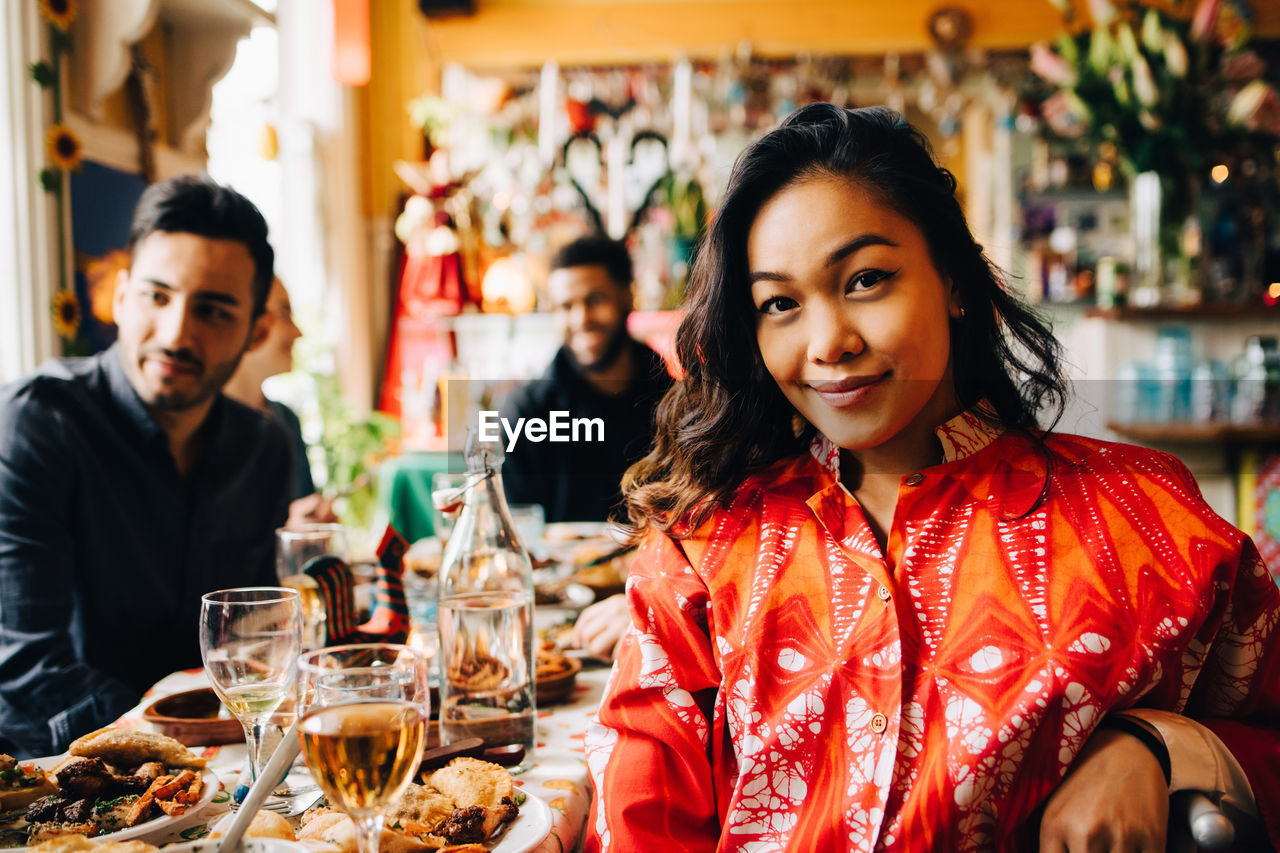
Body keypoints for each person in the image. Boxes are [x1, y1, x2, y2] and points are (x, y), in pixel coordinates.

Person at [585, 105, 1280, 852]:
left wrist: (1162, 747)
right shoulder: (704, 545)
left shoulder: (1142, 521)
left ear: (953, 279)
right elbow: (641, 818)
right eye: (780, 303)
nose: (828, 343)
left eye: (866, 279)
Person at [0, 174, 293, 758]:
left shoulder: (265, 447)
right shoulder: (37, 424)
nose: (175, 333)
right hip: (68, 780)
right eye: (157, 296)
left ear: (256, 330)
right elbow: (23, 663)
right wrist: (172, 748)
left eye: (211, 311)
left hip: (219, 765)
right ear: (121, 293)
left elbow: (252, 643)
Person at [499, 234, 673, 524]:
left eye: (595, 300)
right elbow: (519, 529)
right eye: (566, 307)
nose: (581, 319)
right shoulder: (526, 414)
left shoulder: (675, 402)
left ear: (627, 296)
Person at [224, 276, 337, 527]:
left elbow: (302, 507)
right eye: (285, 315)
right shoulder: (197, 429)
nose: (299, 332)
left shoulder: (285, 419)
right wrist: (285, 531)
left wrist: (316, 520)